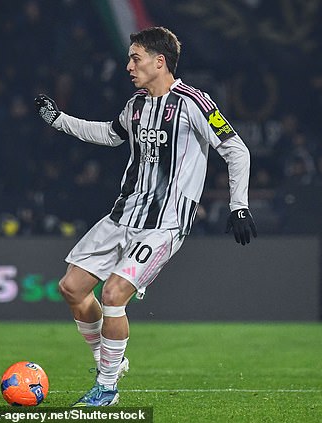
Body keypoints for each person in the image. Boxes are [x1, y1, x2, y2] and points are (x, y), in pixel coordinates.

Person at [34, 26, 257, 407]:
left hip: (164, 224)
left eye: (135, 59)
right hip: (123, 214)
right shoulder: (136, 104)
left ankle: (107, 387)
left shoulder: (194, 103)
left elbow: (236, 150)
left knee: (113, 293)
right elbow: (110, 134)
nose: (129, 66)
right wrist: (59, 121)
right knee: (71, 287)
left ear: (160, 62)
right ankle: (108, 362)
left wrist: (239, 205)